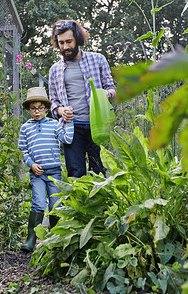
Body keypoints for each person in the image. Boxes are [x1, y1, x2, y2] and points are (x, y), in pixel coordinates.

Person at [48, 19, 116, 178]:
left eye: (69, 42)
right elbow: (53, 104)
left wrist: (105, 95)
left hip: (97, 125)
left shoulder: (98, 59)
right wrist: (60, 111)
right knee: (75, 173)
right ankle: (78, 203)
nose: (65, 47)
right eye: (61, 43)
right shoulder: (54, 70)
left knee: (98, 173)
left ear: (77, 39)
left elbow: (112, 89)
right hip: (71, 128)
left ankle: (100, 203)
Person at [18, 87, 74, 252]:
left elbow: (67, 139)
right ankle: (31, 239)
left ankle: (54, 239)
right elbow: (23, 151)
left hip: (54, 172)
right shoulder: (25, 128)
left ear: (47, 109)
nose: (37, 111)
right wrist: (31, 164)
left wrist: (69, 122)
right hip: (38, 173)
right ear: (29, 109)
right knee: (39, 203)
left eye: (40, 108)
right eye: (33, 108)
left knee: (56, 205)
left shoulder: (54, 124)